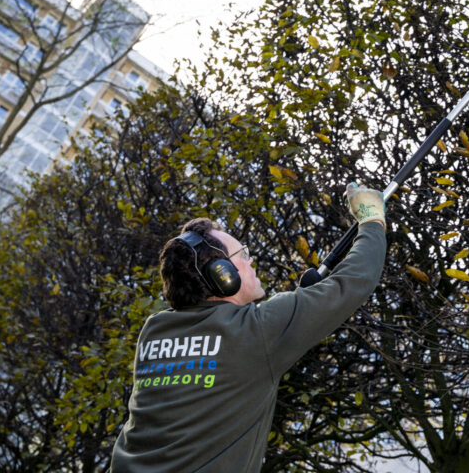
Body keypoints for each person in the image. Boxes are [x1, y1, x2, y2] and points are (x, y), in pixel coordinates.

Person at [109, 183, 387, 472]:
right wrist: (371, 219)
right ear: (223, 274)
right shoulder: (258, 332)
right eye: (242, 254)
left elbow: (223, 354)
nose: (250, 259)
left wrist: (296, 305)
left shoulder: (154, 331)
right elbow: (354, 281)